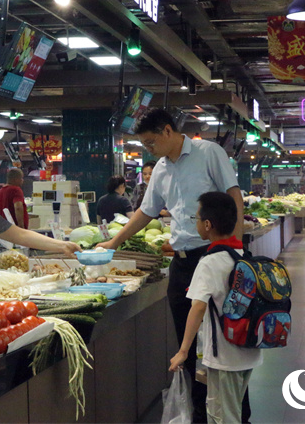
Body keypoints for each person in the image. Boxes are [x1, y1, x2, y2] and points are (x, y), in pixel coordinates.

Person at [98, 108, 247, 423]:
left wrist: (235, 250)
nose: (148, 149)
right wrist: (113, 242)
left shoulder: (209, 152)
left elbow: (234, 197)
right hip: (181, 264)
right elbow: (146, 212)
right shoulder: (162, 169)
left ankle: (238, 414)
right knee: (188, 342)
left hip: (215, 256)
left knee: (224, 343)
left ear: (168, 131)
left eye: (151, 142)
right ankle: (199, 414)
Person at [169, 191, 262, 424]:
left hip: (224, 356)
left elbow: (197, 307)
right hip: (248, 350)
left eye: (197, 219)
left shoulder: (209, 261)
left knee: (223, 417)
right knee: (234, 412)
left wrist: (183, 351)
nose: (197, 223)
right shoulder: (242, 255)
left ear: (207, 225)